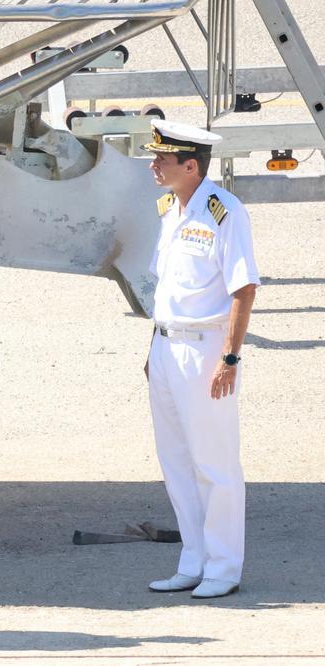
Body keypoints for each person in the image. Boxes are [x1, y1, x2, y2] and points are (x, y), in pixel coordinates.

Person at [142, 119, 259, 599]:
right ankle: (193, 560)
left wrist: (229, 357)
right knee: (177, 462)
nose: (153, 165)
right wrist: (152, 349)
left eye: (162, 159)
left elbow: (243, 288)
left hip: (205, 348)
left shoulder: (224, 211)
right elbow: (166, 289)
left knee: (214, 462)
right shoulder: (169, 209)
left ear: (191, 166)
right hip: (165, 345)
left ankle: (224, 567)